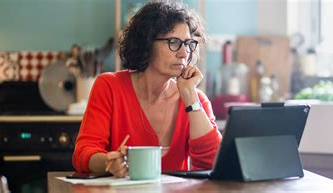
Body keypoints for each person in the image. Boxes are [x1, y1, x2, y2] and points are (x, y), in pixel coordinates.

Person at [72, 2, 221, 178]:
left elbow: (214, 163)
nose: (184, 53)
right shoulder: (109, 87)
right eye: (173, 42)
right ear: (147, 43)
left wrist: (191, 98)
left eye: (188, 43)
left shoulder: (196, 100)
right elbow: (83, 154)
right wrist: (108, 162)